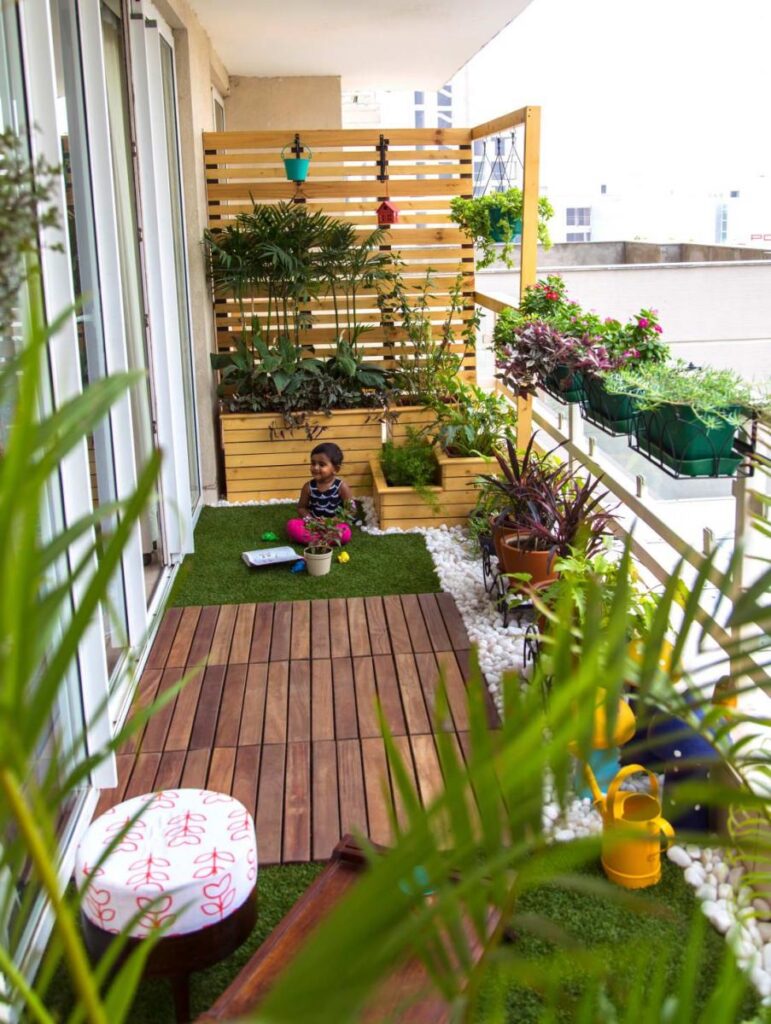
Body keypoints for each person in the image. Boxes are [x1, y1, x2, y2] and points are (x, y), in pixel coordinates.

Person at [286, 442, 354, 546]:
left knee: (345, 532)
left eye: (322, 464)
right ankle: (322, 539)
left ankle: (315, 540)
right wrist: (310, 521)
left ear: (336, 469)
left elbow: (351, 510)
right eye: (313, 463)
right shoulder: (308, 487)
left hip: (333, 525)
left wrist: (333, 521)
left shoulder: (341, 487)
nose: (316, 468)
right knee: (292, 525)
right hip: (313, 525)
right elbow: (301, 508)